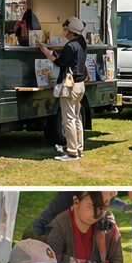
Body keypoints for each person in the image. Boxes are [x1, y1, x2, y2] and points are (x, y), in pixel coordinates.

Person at [38, 16, 89, 162]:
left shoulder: (70, 46)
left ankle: (72, 152)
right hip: (80, 85)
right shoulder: (82, 43)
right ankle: (79, 149)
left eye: (66, 29)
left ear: (71, 31)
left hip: (69, 86)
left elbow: (60, 62)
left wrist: (46, 52)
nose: (64, 32)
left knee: (69, 119)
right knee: (77, 118)